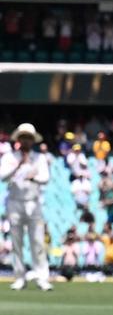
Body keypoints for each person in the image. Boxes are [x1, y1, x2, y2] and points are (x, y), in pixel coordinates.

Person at [1, 123, 52, 291]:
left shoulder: (40, 158)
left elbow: (45, 178)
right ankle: (19, 278)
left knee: (37, 242)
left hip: (33, 202)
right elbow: (2, 176)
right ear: (19, 139)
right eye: (24, 138)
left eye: (29, 138)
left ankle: (42, 278)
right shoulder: (10, 157)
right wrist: (18, 166)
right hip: (15, 202)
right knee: (16, 242)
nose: (26, 141)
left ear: (33, 140)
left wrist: (32, 177)